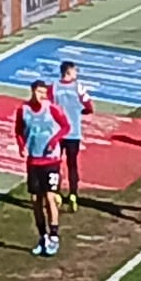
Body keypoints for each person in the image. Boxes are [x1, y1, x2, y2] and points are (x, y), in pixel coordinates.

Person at [15, 79, 71, 257]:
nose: (42, 97)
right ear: (32, 91)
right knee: (35, 200)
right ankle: (42, 236)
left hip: (51, 160)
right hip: (33, 160)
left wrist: (54, 141)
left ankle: (54, 236)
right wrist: (21, 145)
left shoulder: (52, 109)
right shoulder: (23, 110)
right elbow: (18, 130)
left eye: (44, 93)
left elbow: (66, 126)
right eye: (39, 92)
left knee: (50, 197)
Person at [52, 60, 94, 212]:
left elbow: (48, 107)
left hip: (57, 133)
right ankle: (73, 194)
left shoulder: (54, 87)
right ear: (68, 72)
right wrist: (79, 112)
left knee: (55, 163)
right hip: (73, 133)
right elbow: (89, 106)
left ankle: (55, 192)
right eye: (75, 71)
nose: (77, 73)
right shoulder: (78, 87)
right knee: (72, 165)